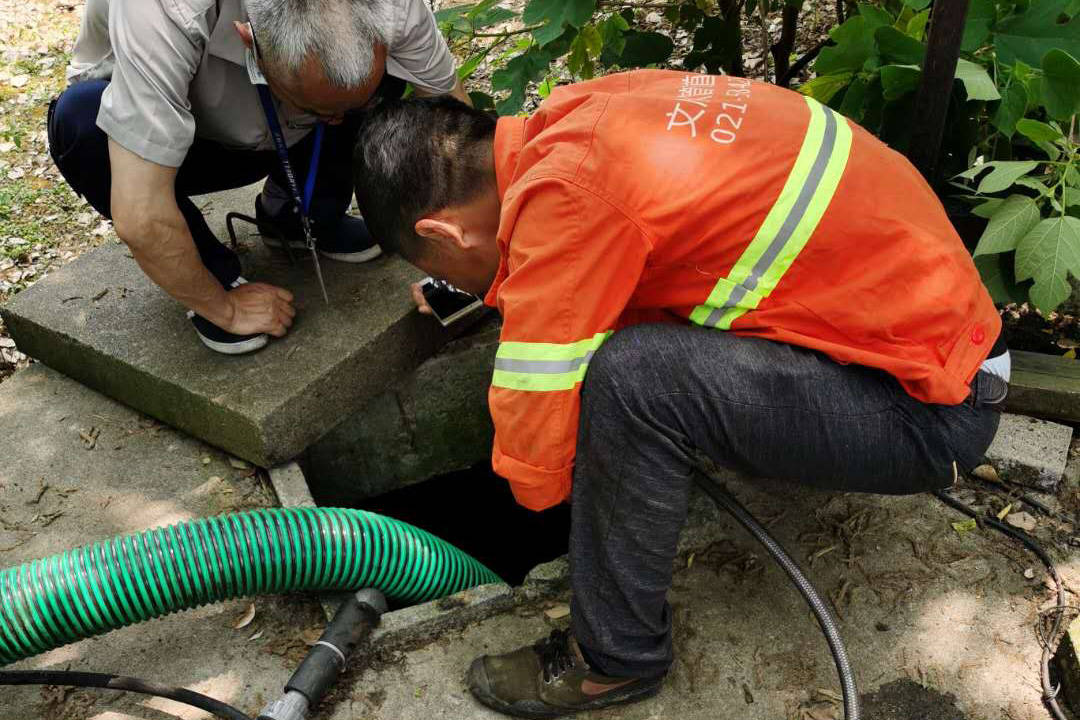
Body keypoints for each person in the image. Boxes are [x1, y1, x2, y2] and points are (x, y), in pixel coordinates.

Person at [351, 69, 1009, 718]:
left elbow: (535, 458)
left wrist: (551, 499)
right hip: (942, 344)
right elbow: (603, 251)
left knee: (633, 381)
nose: (462, 284)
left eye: (443, 268)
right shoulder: (581, 118)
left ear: (444, 232)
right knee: (635, 359)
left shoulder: (569, 205)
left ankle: (613, 661)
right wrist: (493, 285)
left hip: (928, 409)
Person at [47, 0, 470, 354]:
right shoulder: (160, 10)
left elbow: (457, 124)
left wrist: (470, 253)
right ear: (249, 38)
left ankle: (300, 214)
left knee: (387, 88)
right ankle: (216, 276)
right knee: (80, 122)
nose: (337, 119)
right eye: (319, 108)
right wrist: (223, 307)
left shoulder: (397, 6)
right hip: (189, 140)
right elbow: (140, 212)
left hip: (284, 127)